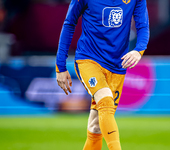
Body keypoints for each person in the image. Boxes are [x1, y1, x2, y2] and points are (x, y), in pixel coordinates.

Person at [56, 0, 149, 149]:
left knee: (96, 126)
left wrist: (139, 50)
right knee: (105, 102)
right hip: (89, 59)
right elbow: (69, 23)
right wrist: (60, 66)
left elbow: (142, 25)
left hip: (117, 65)